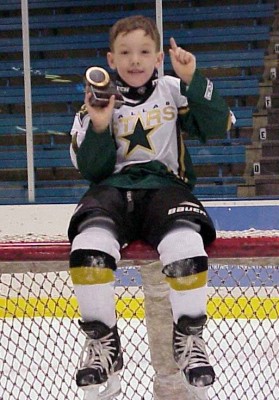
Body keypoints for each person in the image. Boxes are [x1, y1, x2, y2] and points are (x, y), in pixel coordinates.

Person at [68, 14, 232, 398]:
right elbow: (91, 169)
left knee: (187, 250)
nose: (135, 60)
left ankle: (189, 340)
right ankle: (102, 345)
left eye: (144, 51)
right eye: (125, 52)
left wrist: (193, 79)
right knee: (88, 249)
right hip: (113, 190)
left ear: (159, 58)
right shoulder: (93, 104)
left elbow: (218, 126)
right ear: (111, 59)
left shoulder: (175, 90)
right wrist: (98, 124)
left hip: (165, 189)